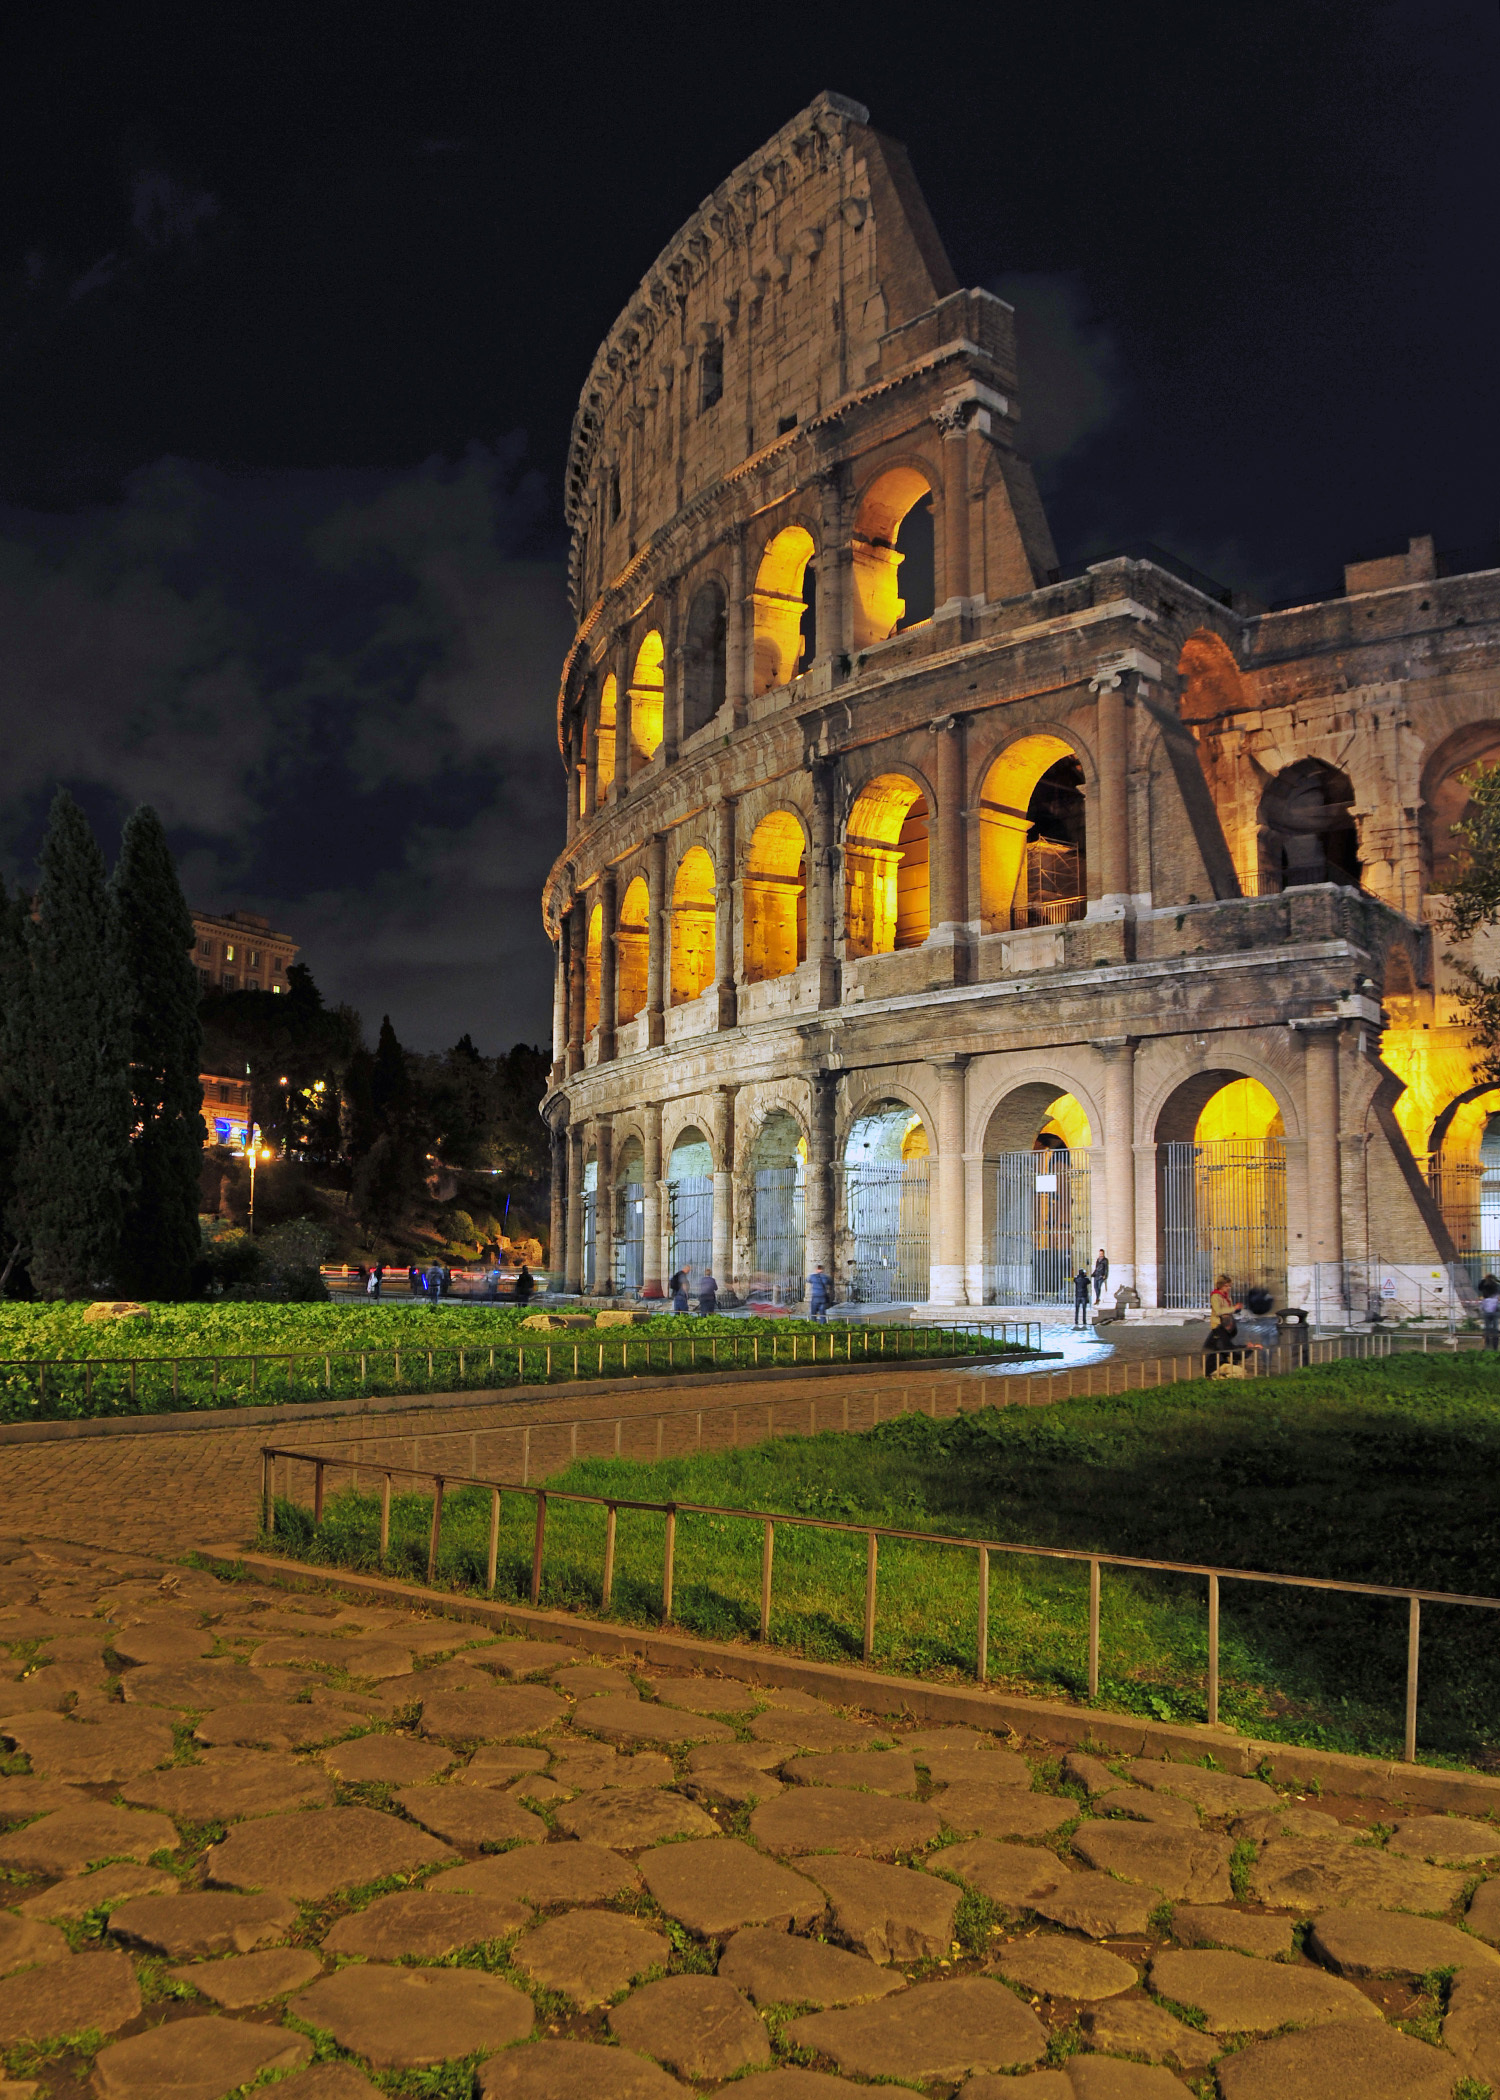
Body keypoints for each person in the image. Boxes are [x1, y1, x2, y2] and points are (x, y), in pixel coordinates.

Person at [1481, 1275, 1500, 1351]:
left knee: (1487, 1329)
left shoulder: (1485, 1288)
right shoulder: (1496, 1287)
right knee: (1494, 1329)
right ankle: (1494, 1346)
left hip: (1488, 1310)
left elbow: (1480, 1287)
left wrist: (1484, 1279)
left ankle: (1487, 1345)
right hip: (1495, 1310)